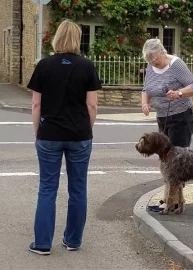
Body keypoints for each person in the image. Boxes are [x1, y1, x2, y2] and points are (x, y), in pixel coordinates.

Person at [27, 19, 101, 255]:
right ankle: (72, 241)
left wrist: (38, 132)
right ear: (78, 39)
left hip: (49, 133)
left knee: (47, 188)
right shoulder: (86, 66)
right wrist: (86, 130)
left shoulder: (44, 65)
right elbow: (92, 105)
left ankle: (42, 244)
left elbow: (36, 104)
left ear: (57, 37)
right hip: (79, 134)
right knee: (78, 188)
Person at [141, 38, 193, 147]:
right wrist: (145, 103)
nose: (154, 64)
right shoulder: (151, 66)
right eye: (150, 62)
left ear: (162, 52)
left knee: (177, 157)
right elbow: (146, 89)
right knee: (164, 154)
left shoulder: (175, 64)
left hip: (180, 118)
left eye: (156, 61)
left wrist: (179, 93)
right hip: (162, 118)